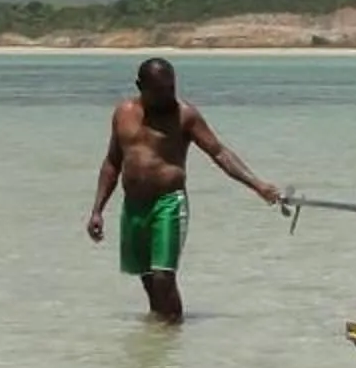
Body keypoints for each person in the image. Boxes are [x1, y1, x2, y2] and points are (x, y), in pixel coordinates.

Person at [86, 57, 280, 323]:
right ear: (140, 86)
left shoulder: (185, 115)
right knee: (148, 278)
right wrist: (97, 210)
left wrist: (257, 185)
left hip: (169, 202)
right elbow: (112, 162)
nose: (168, 95)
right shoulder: (123, 113)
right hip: (134, 205)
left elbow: (219, 152)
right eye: (160, 90)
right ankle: (161, 338)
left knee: (163, 276)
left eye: (171, 88)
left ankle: (173, 327)